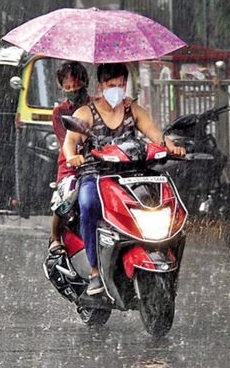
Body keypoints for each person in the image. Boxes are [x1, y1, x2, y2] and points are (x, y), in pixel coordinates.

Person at [63, 63, 185, 295]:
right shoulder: (85, 113)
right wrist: (73, 156)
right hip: (97, 175)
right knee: (88, 205)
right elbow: (70, 142)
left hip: (133, 175)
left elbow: (156, 135)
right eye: (112, 85)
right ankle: (95, 270)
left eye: (121, 85)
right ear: (100, 86)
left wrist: (173, 148)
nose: (117, 90)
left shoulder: (133, 110)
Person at [48, 61, 91, 256]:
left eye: (76, 85)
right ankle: (55, 236)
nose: (72, 90)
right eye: (67, 87)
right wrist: (74, 154)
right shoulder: (59, 112)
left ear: (85, 83)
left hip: (98, 159)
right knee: (68, 193)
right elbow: (64, 140)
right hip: (70, 162)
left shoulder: (97, 104)